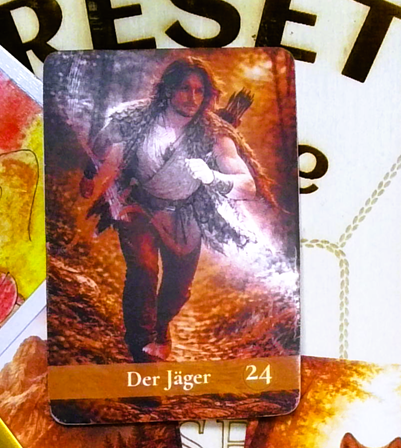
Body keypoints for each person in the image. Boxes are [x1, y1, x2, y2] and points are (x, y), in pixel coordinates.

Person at [79, 58, 270, 362]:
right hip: (138, 204)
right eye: (184, 88)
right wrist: (90, 175)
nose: (192, 98)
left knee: (179, 290)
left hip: (184, 215)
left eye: (199, 90)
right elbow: (103, 141)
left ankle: (159, 326)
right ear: (168, 89)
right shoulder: (137, 116)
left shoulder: (214, 133)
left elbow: (247, 185)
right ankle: (142, 349)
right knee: (143, 270)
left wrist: (212, 177)